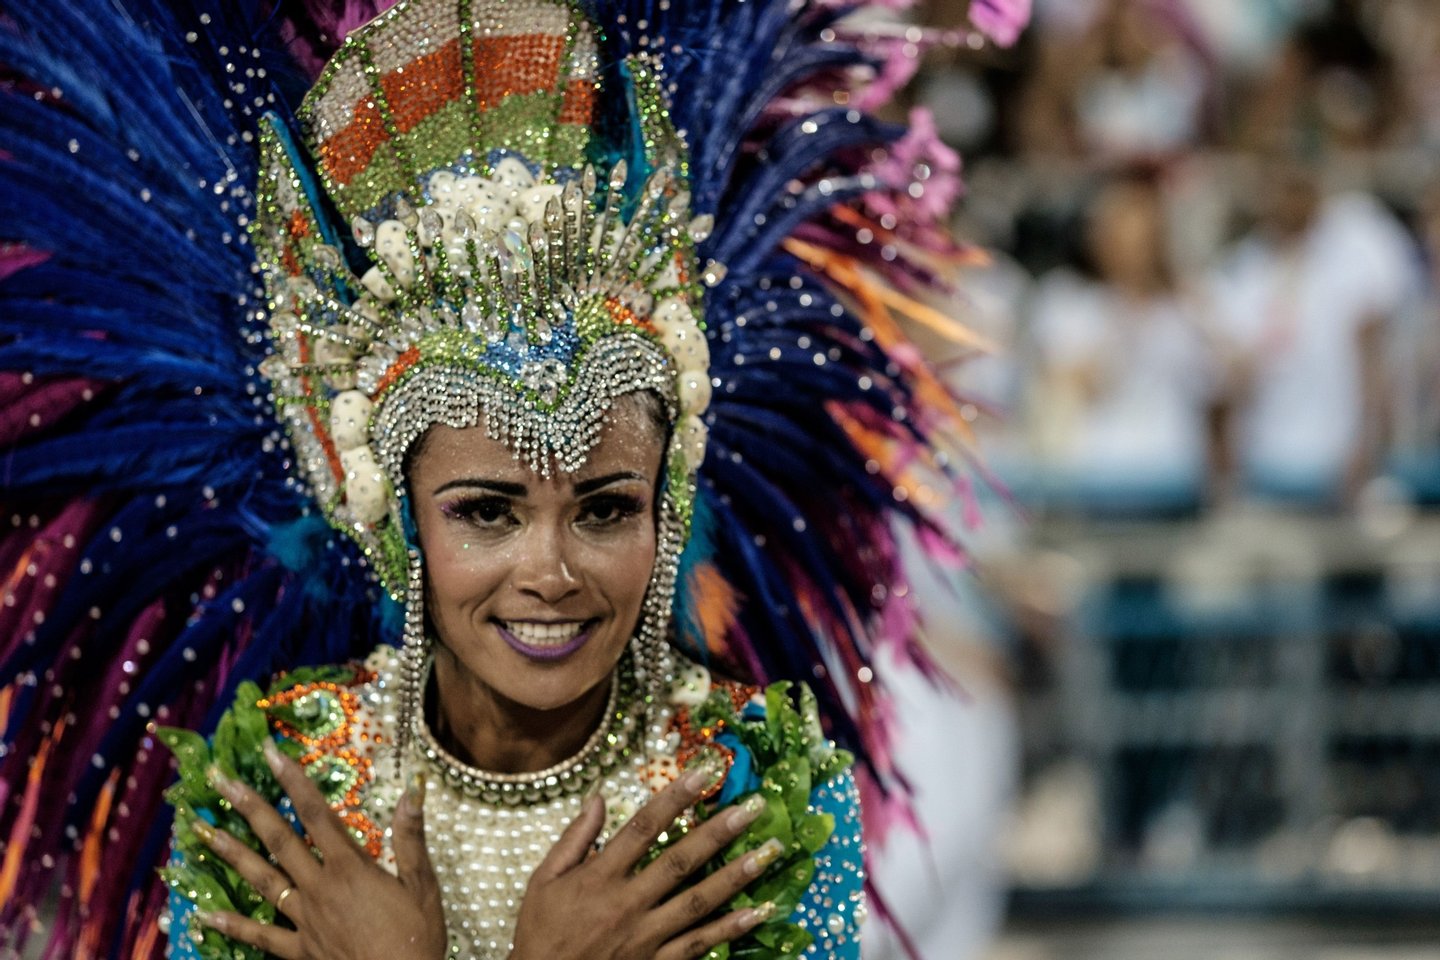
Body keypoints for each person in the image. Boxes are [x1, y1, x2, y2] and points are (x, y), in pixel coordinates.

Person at [0, 0, 1029, 956]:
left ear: (667, 508)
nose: (552, 571)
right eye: (488, 511)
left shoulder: (745, 790)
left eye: (604, 506)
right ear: (398, 521)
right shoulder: (282, 794)